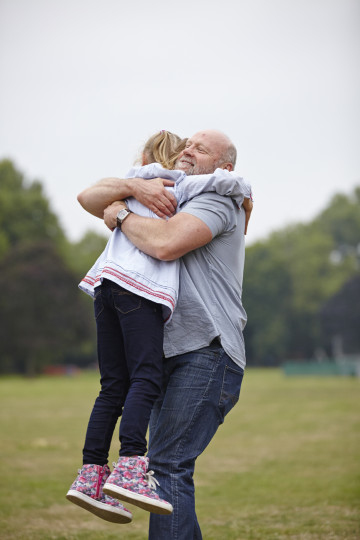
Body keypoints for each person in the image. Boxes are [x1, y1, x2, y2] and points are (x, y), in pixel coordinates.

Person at [67, 130, 252, 528]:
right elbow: (87, 198)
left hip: (208, 350)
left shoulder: (217, 198)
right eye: (188, 144)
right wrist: (134, 188)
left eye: (200, 148)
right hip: (169, 347)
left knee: (166, 466)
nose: (188, 150)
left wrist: (120, 213)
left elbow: (166, 244)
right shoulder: (160, 187)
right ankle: (93, 473)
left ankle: (99, 472)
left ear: (225, 167)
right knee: (161, 469)